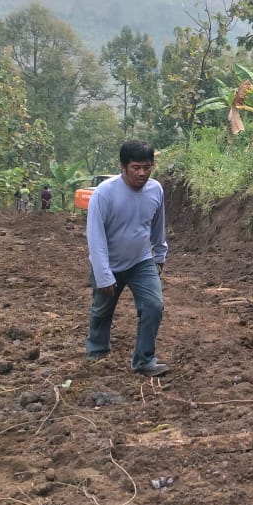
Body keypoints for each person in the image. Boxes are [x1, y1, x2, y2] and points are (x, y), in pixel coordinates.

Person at [85, 140, 170, 377]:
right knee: (102, 309)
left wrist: (160, 252)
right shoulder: (104, 193)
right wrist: (103, 274)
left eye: (147, 166)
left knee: (154, 305)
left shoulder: (156, 190)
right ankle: (97, 352)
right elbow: (95, 236)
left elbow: (157, 224)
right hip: (108, 263)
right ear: (123, 166)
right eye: (135, 167)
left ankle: (144, 360)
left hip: (141, 260)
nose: (142, 173)